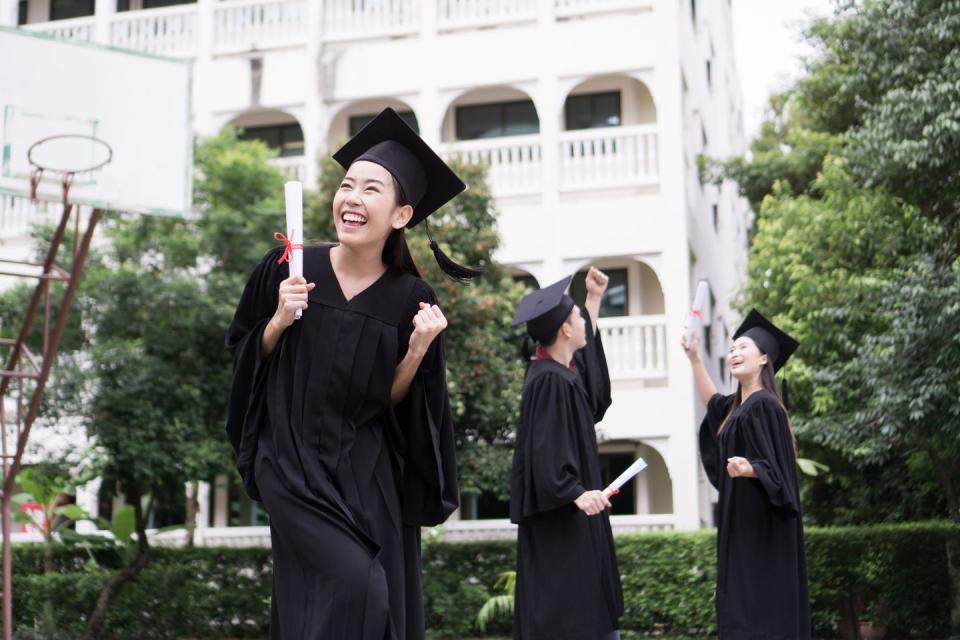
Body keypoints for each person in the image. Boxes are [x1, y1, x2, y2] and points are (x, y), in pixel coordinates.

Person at [225, 108, 470, 640]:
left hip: (366, 467)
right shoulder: (289, 267)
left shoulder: (412, 298)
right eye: (346, 185)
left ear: (401, 215)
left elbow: (394, 402)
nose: (351, 198)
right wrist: (278, 320)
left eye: (371, 189)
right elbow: (244, 354)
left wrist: (417, 351)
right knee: (359, 585)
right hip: (290, 461)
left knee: (372, 605)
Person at [508, 269, 624, 640]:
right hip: (562, 530)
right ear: (565, 330)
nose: (584, 324)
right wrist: (574, 492)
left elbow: (593, 394)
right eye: (578, 318)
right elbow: (545, 454)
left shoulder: (559, 375)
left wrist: (592, 300)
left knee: (588, 614)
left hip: (577, 522)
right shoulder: (549, 382)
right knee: (569, 619)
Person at [682, 308, 811, 639]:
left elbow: (781, 475)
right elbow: (711, 400)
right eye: (732, 348)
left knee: (756, 617)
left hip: (761, 534)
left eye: (743, 347)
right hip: (739, 529)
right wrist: (695, 357)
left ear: (764, 358)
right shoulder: (736, 408)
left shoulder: (766, 406)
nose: (734, 353)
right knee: (738, 612)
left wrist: (752, 468)